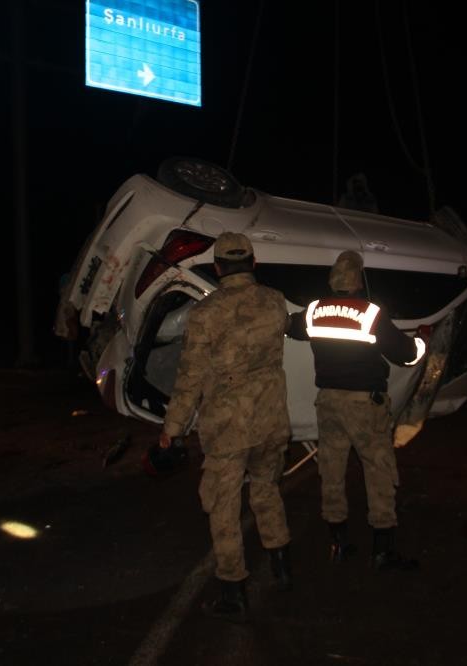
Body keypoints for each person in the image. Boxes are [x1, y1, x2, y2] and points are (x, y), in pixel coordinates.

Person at [158, 232, 293, 622]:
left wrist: (173, 428)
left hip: (228, 428)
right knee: (267, 489)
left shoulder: (205, 314)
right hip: (270, 420)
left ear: (217, 268)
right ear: (252, 263)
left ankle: (233, 589)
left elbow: (190, 378)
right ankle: (282, 566)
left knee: (223, 505)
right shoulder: (274, 301)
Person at [288, 250, 425, 571]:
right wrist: (422, 342)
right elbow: (405, 355)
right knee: (378, 470)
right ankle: (382, 550)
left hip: (329, 403)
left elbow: (290, 328)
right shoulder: (371, 313)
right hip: (365, 405)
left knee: (331, 471)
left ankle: (338, 543)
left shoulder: (315, 311)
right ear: (359, 282)